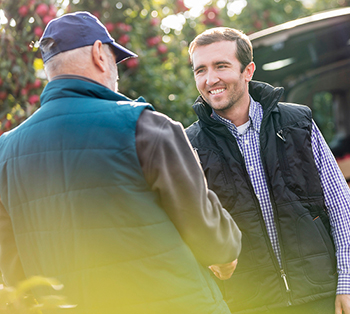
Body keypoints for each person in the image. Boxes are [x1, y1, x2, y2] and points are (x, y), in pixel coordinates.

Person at [0, 13, 242, 314]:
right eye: (115, 60)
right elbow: (211, 237)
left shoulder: (5, 151)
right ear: (99, 54)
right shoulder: (145, 126)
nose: (116, 72)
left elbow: (14, 273)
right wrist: (226, 253)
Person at [185, 27, 350, 314]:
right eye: (200, 70)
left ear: (247, 70)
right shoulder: (189, 145)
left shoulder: (298, 122)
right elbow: (191, 235)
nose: (210, 79)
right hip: (248, 305)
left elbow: (340, 206)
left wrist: (346, 281)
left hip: (320, 295)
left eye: (221, 66)